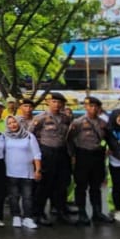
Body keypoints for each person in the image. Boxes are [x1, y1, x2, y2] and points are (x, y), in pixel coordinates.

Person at [30, 92, 73, 226]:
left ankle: (60, 211)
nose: (57, 104)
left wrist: (72, 155)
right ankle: (38, 213)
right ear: (48, 102)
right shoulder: (40, 118)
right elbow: (31, 136)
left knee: (62, 184)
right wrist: (34, 157)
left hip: (62, 153)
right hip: (46, 152)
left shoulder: (66, 118)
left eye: (60, 102)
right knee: (44, 185)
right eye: (54, 101)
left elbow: (69, 137)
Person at [68, 97, 111, 225]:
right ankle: (82, 213)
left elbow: (109, 138)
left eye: (96, 106)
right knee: (81, 186)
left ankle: (97, 212)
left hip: (98, 156)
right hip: (82, 155)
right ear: (85, 107)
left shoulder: (103, 123)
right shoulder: (78, 122)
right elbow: (69, 140)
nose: (93, 109)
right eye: (90, 106)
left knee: (96, 186)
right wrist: (72, 156)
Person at [0, 115, 41, 229]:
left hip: (27, 172)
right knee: (13, 196)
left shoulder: (29, 136)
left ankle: (28, 218)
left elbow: (36, 154)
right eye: (10, 123)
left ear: (19, 123)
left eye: (14, 122)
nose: (12, 125)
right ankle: (16, 216)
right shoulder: (5, 137)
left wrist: (37, 170)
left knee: (28, 196)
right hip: (11, 172)